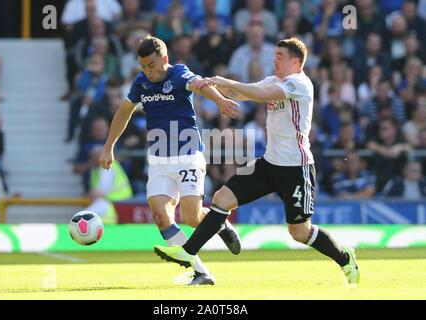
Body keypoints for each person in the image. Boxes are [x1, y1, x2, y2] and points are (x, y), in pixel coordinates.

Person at [154, 37, 360, 287]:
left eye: (280, 57)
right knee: (222, 198)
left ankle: (344, 257)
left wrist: (224, 81)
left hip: (297, 169)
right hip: (268, 164)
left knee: (300, 233)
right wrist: (212, 87)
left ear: (296, 62)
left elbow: (261, 94)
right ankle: (188, 250)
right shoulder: (274, 80)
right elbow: (243, 91)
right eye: (274, 55)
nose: (274, 60)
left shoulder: (300, 84)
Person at [98, 35, 241, 286]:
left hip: (187, 156)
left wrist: (219, 100)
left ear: (164, 59)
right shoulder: (141, 83)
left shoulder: (179, 74)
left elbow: (201, 85)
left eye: (151, 65)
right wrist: (108, 146)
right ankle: (201, 272)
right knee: (161, 216)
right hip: (158, 160)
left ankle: (221, 223)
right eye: (143, 66)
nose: (147, 71)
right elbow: (123, 113)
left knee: (192, 217)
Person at [84, 145, 133, 224]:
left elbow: (99, 192)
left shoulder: (108, 166)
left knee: (83, 216)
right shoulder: (95, 169)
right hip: (111, 204)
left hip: (120, 204)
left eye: (93, 157)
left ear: (100, 157)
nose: (90, 159)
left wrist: (90, 194)